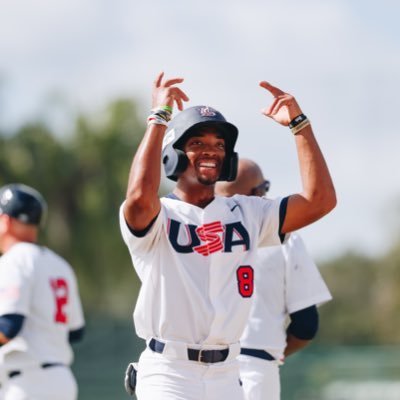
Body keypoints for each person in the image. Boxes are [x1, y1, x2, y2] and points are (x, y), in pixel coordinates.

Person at [120, 72, 336, 400]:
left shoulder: (248, 213)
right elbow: (137, 197)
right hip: (169, 371)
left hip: (227, 373)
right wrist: (159, 118)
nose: (212, 150)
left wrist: (299, 125)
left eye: (219, 144)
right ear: (172, 156)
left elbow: (320, 200)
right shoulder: (159, 214)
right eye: (198, 143)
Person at [216, 158, 333, 400]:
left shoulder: (192, 234)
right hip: (256, 368)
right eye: (265, 187)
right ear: (257, 194)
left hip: (195, 369)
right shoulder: (286, 239)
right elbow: (306, 325)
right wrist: (278, 352)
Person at [0, 184, 85, 400]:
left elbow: (9, 325)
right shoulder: (59, 264)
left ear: (6, 220)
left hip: (28, 384)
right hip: (62, 381)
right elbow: (75, 331)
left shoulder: (15, 259)